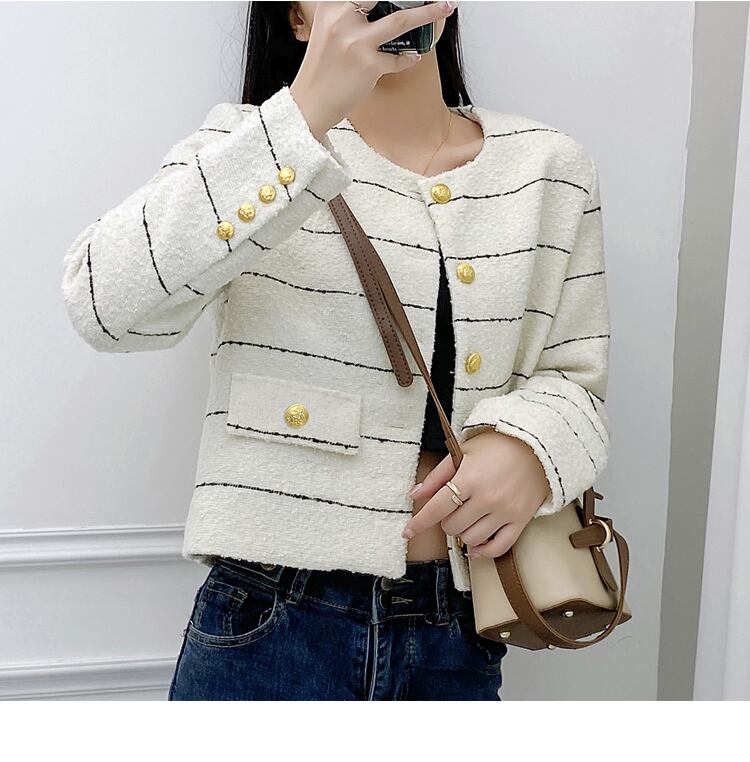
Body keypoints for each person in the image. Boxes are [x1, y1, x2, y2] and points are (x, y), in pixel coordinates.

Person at [61, 0, 611, 700]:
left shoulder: (550, 167)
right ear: (297, 20)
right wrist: (305, 112)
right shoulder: (244, 147)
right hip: (269, 617)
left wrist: (528, 448)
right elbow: (103, 306)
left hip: (459, 627)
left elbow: (577, 378)